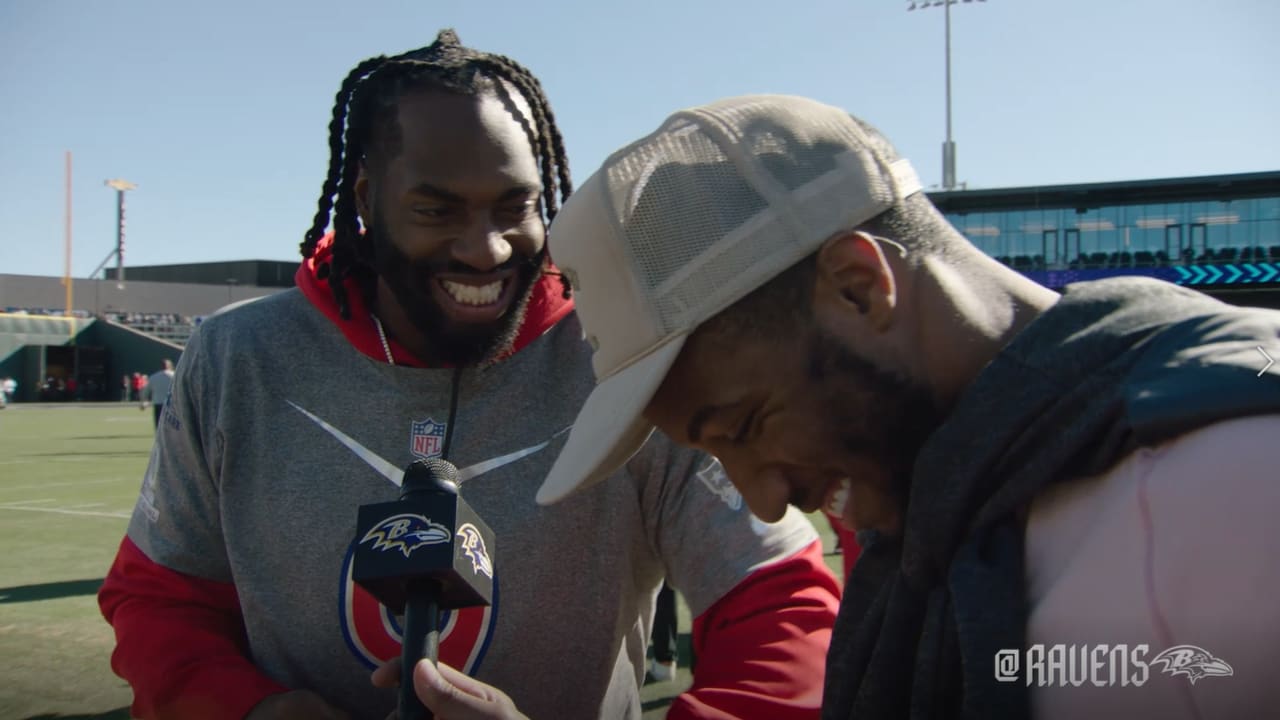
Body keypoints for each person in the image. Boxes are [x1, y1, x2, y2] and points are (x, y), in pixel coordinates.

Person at [98, 39, 839, 720]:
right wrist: (247, 710)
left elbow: (787, 609)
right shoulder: (239, 357)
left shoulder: (627, 359)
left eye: (515, 206)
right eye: (434, 208)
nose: (486, 250)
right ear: (365, 200)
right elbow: (160, 598)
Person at [527, 95, 1280, 719]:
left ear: (859, 285)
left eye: (747, 427)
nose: (763, 496)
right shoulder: (947, 511)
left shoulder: (1234, 482)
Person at [141, 359, 176, 428]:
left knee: (159, 428)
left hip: (158, 404)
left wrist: (144, 401)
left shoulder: (153, 377)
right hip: (172, 405)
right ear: (171, 366)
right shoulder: (175, 376)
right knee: (173, 429)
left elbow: (146, 391)